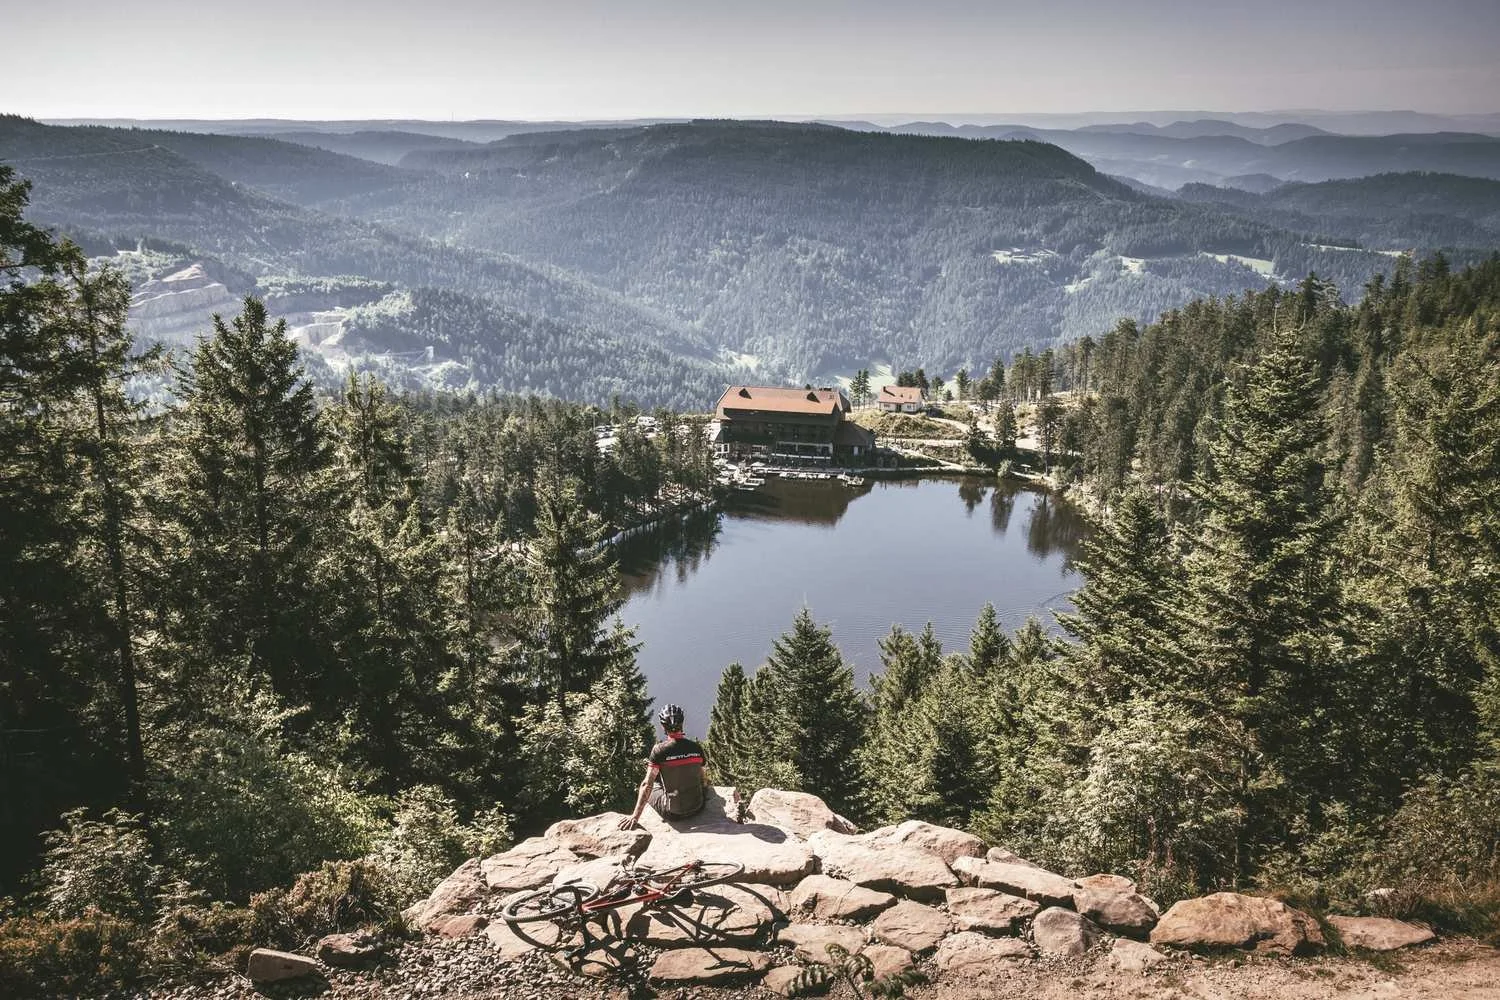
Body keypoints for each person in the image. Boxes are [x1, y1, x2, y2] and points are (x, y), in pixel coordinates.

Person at [618, 703, 717, 829]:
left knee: (653, 785)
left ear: (662, 726)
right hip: (698, 807)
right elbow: (703, 777)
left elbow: (646, 784)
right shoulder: (696, 747)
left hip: (673, 813)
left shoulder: (659, 750)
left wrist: (635, 817)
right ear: (682, 723)